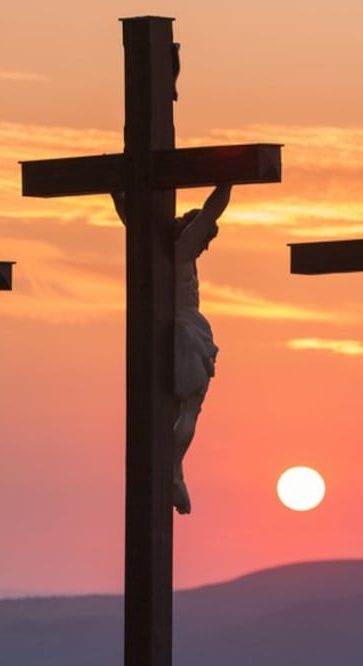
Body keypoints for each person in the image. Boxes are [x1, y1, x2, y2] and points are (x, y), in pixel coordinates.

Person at [111, 185, 232, 514]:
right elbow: (212, 210)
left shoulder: (163, 253)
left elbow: (133, 221)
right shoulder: (181, 252)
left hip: (167, 330)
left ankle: (174, 471)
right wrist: (229, 181)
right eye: (202, 234)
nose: (203, 242)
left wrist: (117, 191)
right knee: (189, 407)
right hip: (186, 332)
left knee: (180, 409)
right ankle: (172, 467)